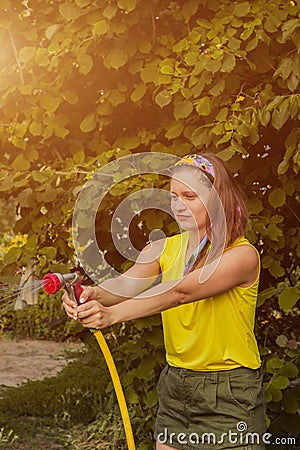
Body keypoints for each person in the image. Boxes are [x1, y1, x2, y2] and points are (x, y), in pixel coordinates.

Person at [62, 153, 266, 450]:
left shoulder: (241, 256)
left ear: (217, 199)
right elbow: (126, 284)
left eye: (190, 196)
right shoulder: (162, 248)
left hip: (229, 390)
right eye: (173, 195)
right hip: (177, 383)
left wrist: (111, 315)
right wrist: (91, 295)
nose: (179, 204)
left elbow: (178, 293)